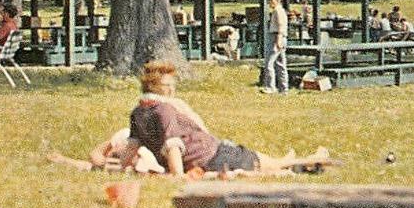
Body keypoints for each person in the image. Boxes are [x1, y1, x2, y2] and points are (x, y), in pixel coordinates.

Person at [119, 61, 335, 176]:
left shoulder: (138, 112)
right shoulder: (164, 110)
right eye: (168, 86)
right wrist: (177, 176)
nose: (173, 89)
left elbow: (132, 145)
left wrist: (122, 169)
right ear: (155, 87)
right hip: (212, 156)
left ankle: (298, 161)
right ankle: (306, 161)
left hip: (211, 153)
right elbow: (172, 146)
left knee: (265, 162)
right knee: (265, 164)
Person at [259, 0, 289, 94]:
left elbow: (280, 25)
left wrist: (278, 39)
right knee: (280, 64)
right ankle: (284, 88)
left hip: (276, 37)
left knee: (269, 63)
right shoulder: (281, 10)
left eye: (271, 1)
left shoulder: (278, 11)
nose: (269, 3)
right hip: (281, 37)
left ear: (277, 1)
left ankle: (270, 87)